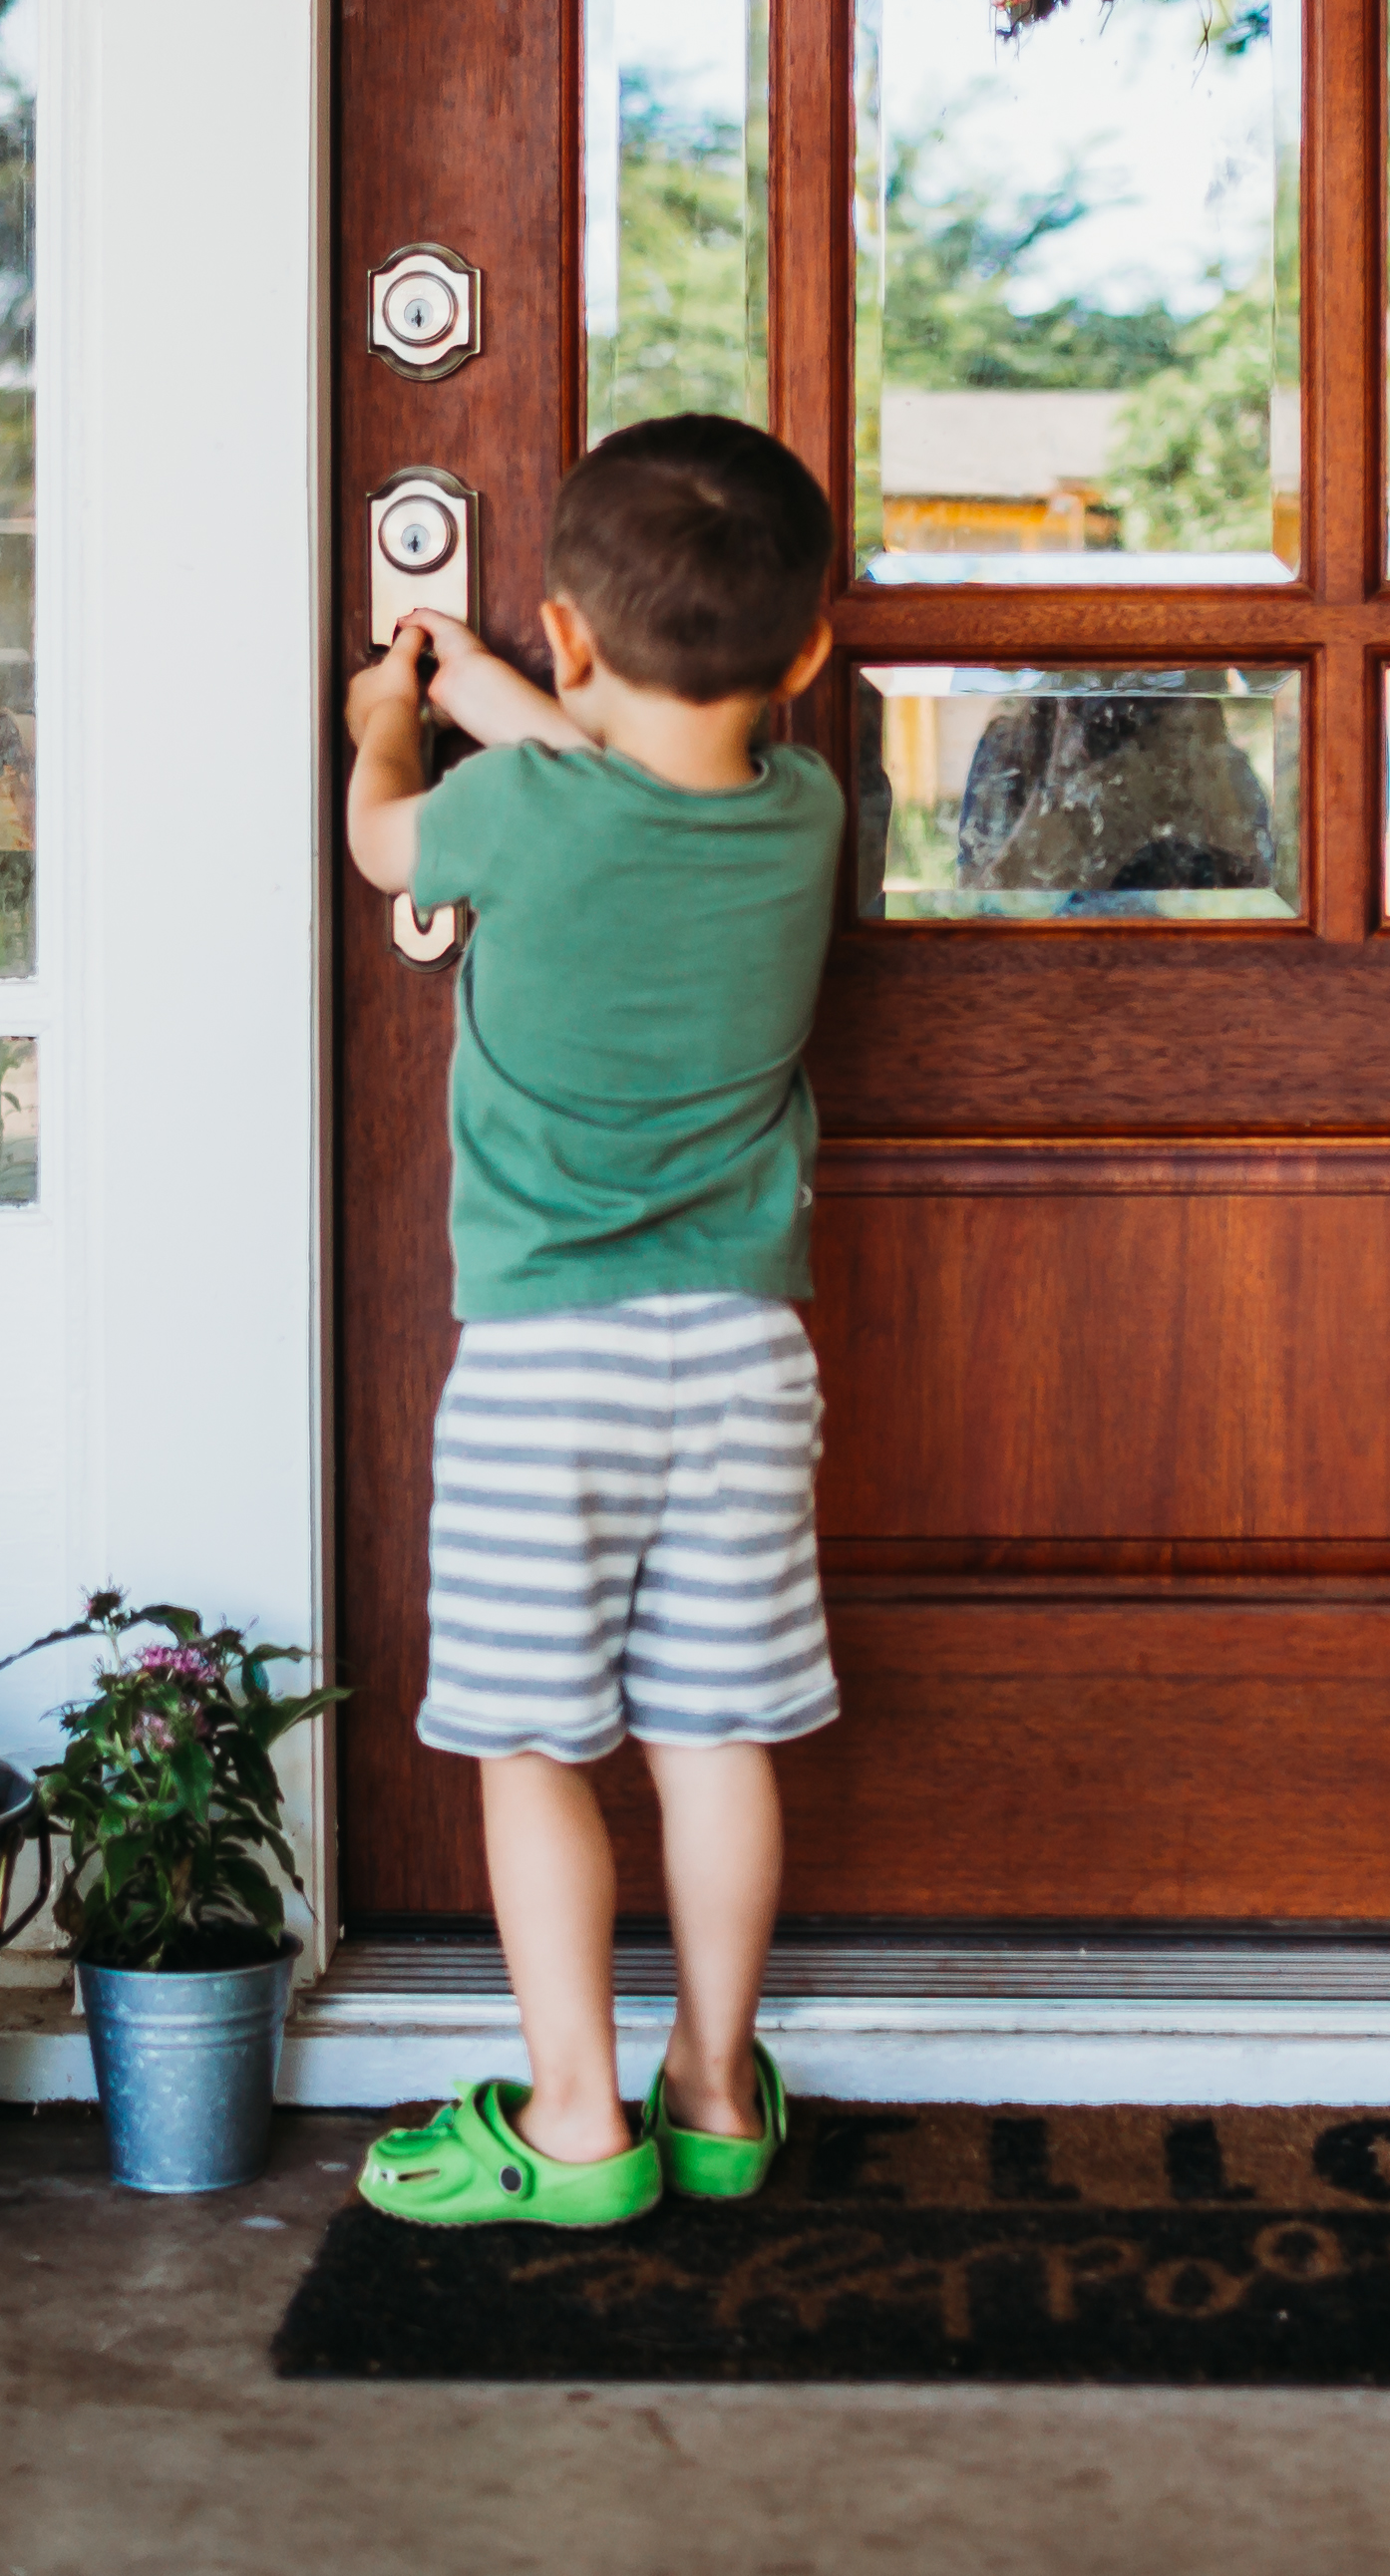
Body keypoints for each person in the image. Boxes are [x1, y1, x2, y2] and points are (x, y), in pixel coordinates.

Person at [335, 412, 846, 2228]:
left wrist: (396, 709)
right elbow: (624, 779)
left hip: (549, 1363)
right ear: (808, 653)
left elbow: (395, 845)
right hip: (739, 1355)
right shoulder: (805, 812)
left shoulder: (514, 809)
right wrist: (513, 694)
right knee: (717, 1732)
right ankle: (714, 2089)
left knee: (536, 1739)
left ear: (569, 634)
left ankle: (573, 2116)